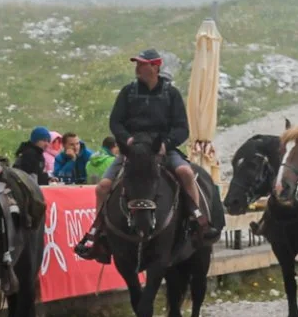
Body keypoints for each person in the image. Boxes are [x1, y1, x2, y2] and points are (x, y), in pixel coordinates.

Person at [75, 49, 208, 261]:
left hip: (162, 148)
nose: (137, 67)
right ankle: (99, 233)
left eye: (142, 64)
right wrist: (126, 139)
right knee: (102, 187)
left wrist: (166, 144)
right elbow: (115, 122)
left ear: (155, 67)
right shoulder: (128, 92)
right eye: (137, 63)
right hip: (134, 151)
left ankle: (197, 222)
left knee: (185, 173)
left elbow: (182, 128)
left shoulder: (171, 94)